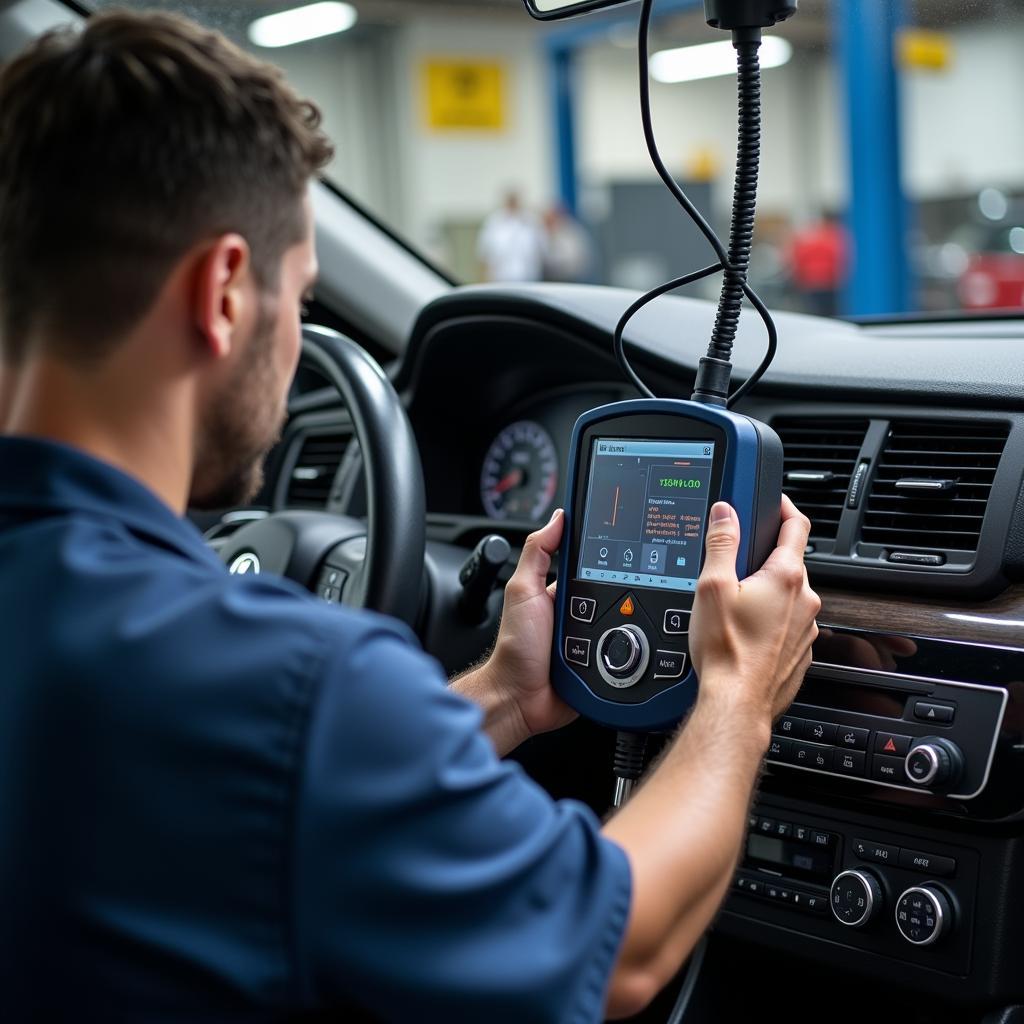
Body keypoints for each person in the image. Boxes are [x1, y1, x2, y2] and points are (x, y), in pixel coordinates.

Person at [0, 12, 821, 1022]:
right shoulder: (296, 690)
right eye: (303, 297)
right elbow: (620, 950)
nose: (298, 336)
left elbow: (247, 812)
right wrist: (739, 697)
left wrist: (508, 701)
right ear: (222, 292)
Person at [476, 190, 545, 283]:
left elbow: (541, 249)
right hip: (500, 278)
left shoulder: (531, 221)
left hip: (528, 278)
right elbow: (483, 253)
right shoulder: (493, 222)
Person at [542, 203, 594, 284]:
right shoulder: (545, 233)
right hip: (551, 277)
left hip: (569, 277)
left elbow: (573, 257)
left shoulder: (570, 232)